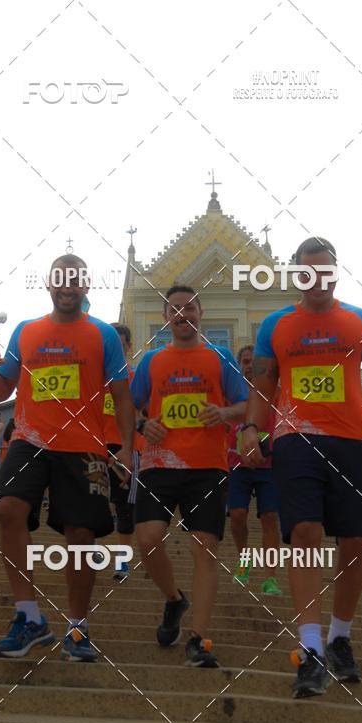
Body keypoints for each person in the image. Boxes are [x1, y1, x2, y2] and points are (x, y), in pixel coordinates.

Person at [241, 237, 362, 698]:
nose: (318, 278)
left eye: (326, 270)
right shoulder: (276, 325)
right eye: (309, 270)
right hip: (295, 439)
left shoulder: (361, 321)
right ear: (297, 274)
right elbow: (262, 385)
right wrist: (250, 431)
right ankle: (311, 647)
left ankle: (340, 636)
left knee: (355, 541)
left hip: (352, 442)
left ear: (336, 273)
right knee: (305, 533)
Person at [0, 253, 135, 661]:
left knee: (81, 536)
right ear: (49, 285)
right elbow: (1, 392)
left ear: (86, 286)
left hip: (84, 444)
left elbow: (122, 397)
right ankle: (28, 617)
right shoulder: (27, 331)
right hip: (30, 439)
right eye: (60, 280)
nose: (68, 287)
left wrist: (124, 446)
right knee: (8, 509)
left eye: (76, 280)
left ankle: (77, 627)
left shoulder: (102, 335)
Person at [131, 285, 248, 668]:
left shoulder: (221, 357)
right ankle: (173, 600)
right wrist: (143, 423)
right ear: (166, 317)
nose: (183, 314)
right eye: (175, 309)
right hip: (158, 463)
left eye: (190, 307)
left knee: (205, 545)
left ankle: (198, 639)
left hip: (207, 465)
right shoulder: (150, 362)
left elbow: (247, 403)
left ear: (201, 312)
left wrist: (226, 413)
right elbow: (127, 409)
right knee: (147, 539)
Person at [227, 345, 282, 596]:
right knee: (237, 515)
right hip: (237, 464)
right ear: (240, 366)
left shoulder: (276, 392)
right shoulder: (232, 394)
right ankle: (243, 562)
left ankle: (270, 578)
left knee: (270, 518)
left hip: (269, 465)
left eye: (254, 362)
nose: (250, 366)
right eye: (245, 361)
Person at [102, 323, 143, 581]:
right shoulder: (92, 378)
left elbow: (142, 414)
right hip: (92, 448)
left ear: (128, 346)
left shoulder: (135, 378)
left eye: (120, 343)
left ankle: (122, 562)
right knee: (88, 504)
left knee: (125, 507)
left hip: (126, 450)